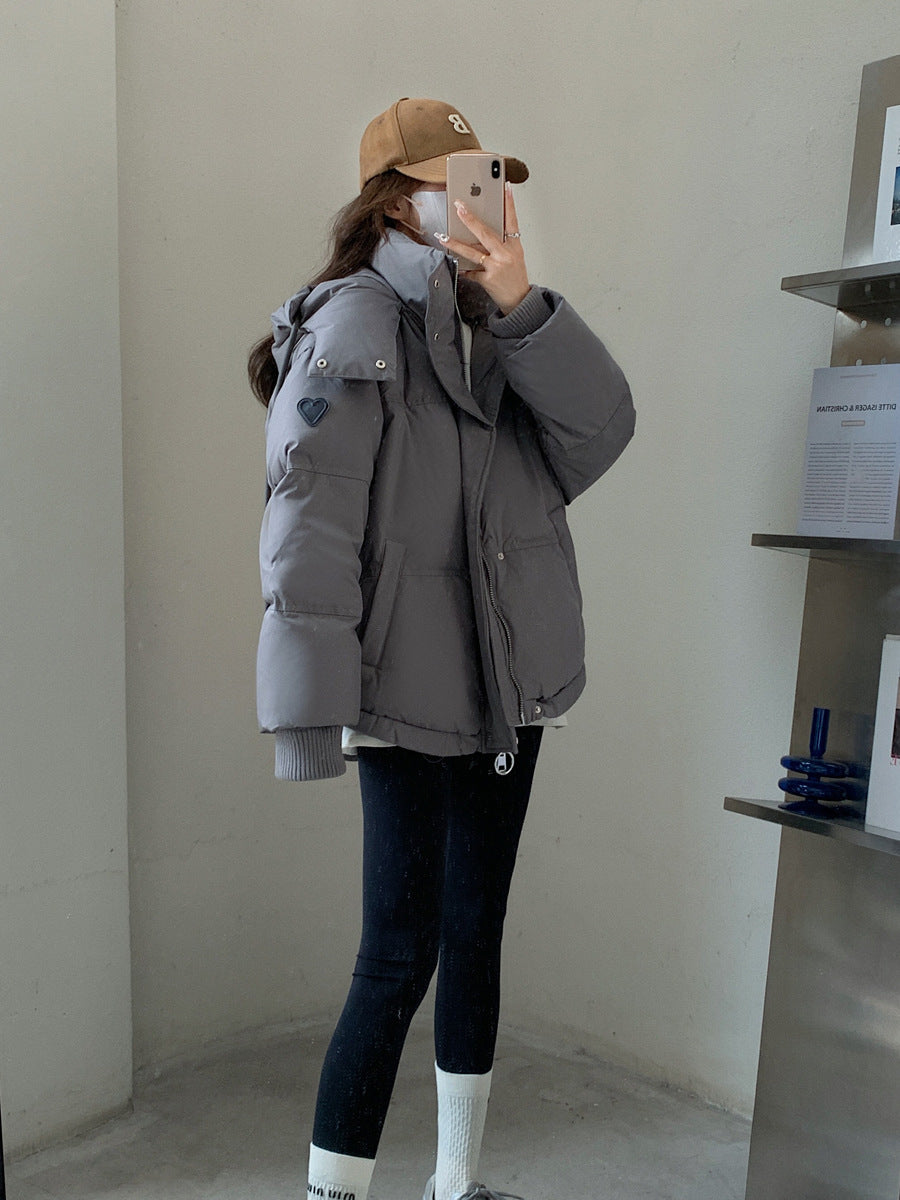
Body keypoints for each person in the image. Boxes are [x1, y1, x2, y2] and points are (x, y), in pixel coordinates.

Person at [248, 97, 634, 1200]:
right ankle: (333, 1195)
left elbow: (600, 434)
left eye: (490, 179)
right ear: (394, 200)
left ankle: (456, 1184)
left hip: (508, 683)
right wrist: (308, 716)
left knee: (476, 933)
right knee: (396, 955)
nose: (481, 199)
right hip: (405, 689)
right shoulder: (354, 324)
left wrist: (523, 309)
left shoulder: (497, 325)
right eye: (454, 181)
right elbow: (308, 526)